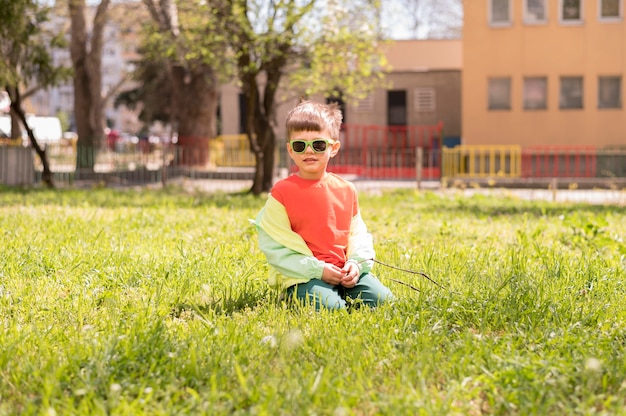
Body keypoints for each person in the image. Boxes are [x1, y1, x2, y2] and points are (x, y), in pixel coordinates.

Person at [254, 100, 393, 310]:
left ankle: (344, 289)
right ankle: (296, 295)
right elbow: (276, 247)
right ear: (290, 150)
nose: (309, 151)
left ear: (333, 147)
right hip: (303, 275)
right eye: (300, 146)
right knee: (332, 308)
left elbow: (358, 235)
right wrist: (318, 270)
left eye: (318, 145)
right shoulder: (282, 192)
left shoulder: (346, 190)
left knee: (383, 301)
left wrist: (356, 264)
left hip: (344, 271)